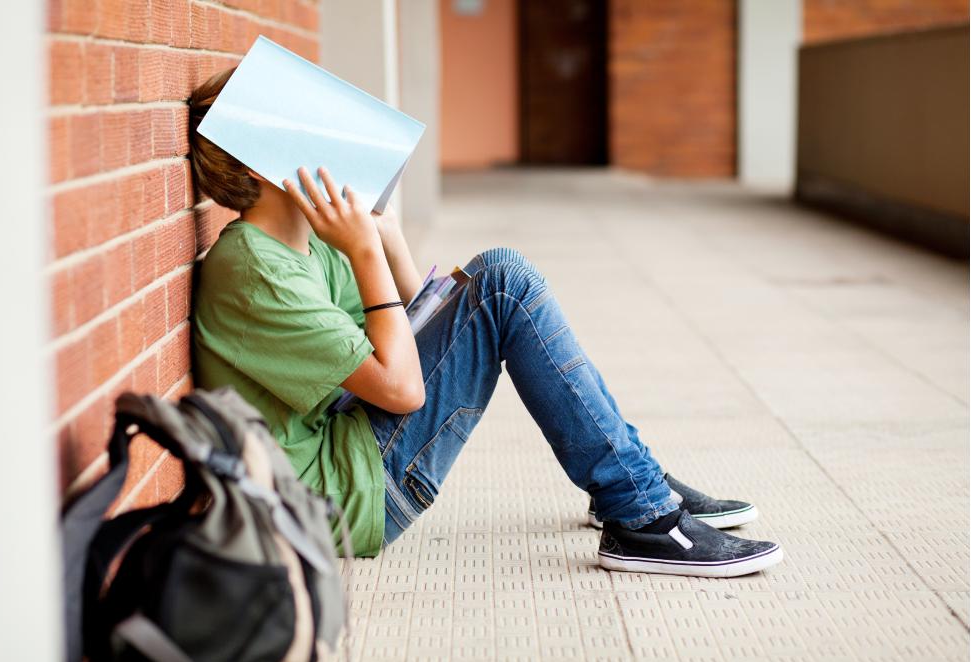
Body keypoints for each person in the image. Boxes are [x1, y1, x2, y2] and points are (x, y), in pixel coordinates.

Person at [188, 69, 783, 577]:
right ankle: (643, 514)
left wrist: (386, 236)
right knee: (503, 281)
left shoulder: (302, 245)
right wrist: (364, 251)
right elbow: (402, 388)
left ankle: (632, 485)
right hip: (338, 497)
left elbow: (411, 319)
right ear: (264, 162)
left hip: (349, 445)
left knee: (497, 283)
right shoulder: (255, 266)